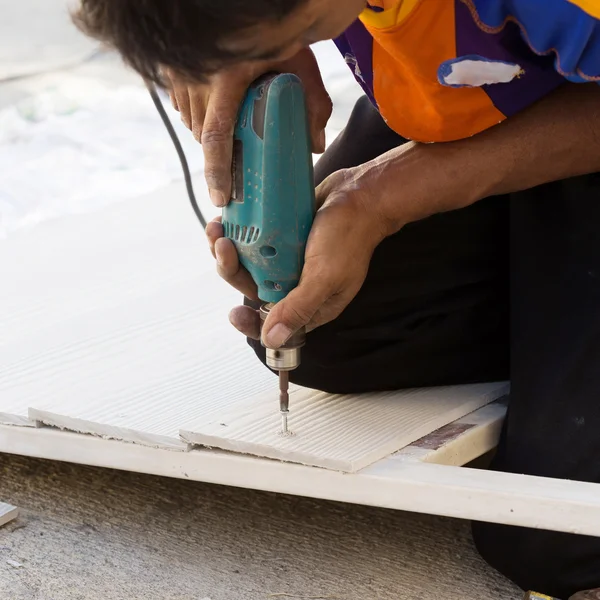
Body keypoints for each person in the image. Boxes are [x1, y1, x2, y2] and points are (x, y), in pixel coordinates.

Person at [72, 1, 600, 597]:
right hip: (496, 90)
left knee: (562, 537)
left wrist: (384, 196)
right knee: (334, 326)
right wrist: (232, 44)